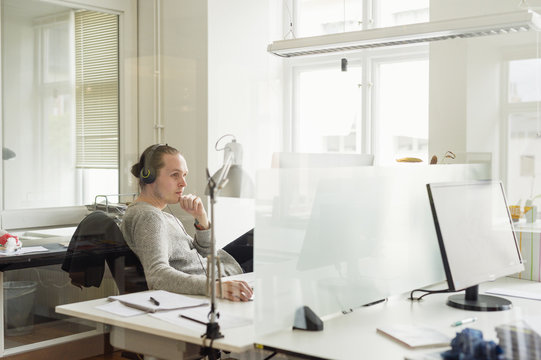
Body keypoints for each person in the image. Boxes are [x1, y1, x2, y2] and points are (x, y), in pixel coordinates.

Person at [121, 144, 253, 302]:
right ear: (149, 176)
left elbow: (203, 254)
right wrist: (214, 288)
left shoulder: (157, 215)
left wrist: (201, 219)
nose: (183, 183)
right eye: (175, 175)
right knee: (274, 236)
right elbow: (157, 275)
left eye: (184, 175)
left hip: (220, 268)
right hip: (223, 277)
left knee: (264, 234)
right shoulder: (149, 217)